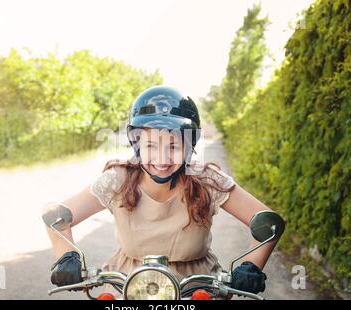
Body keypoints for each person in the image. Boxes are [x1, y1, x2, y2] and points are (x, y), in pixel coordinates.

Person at [45, 85, 279, 298]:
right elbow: (56, 217)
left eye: (174, 146)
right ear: (136, 144)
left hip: (197, 290)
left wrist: (251, 266)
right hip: (125, 288)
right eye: (150, 146)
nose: (162, 158)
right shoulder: (117, 180)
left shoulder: (206, 180)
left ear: (189, 146)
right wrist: (67, 257)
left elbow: (270, 224)